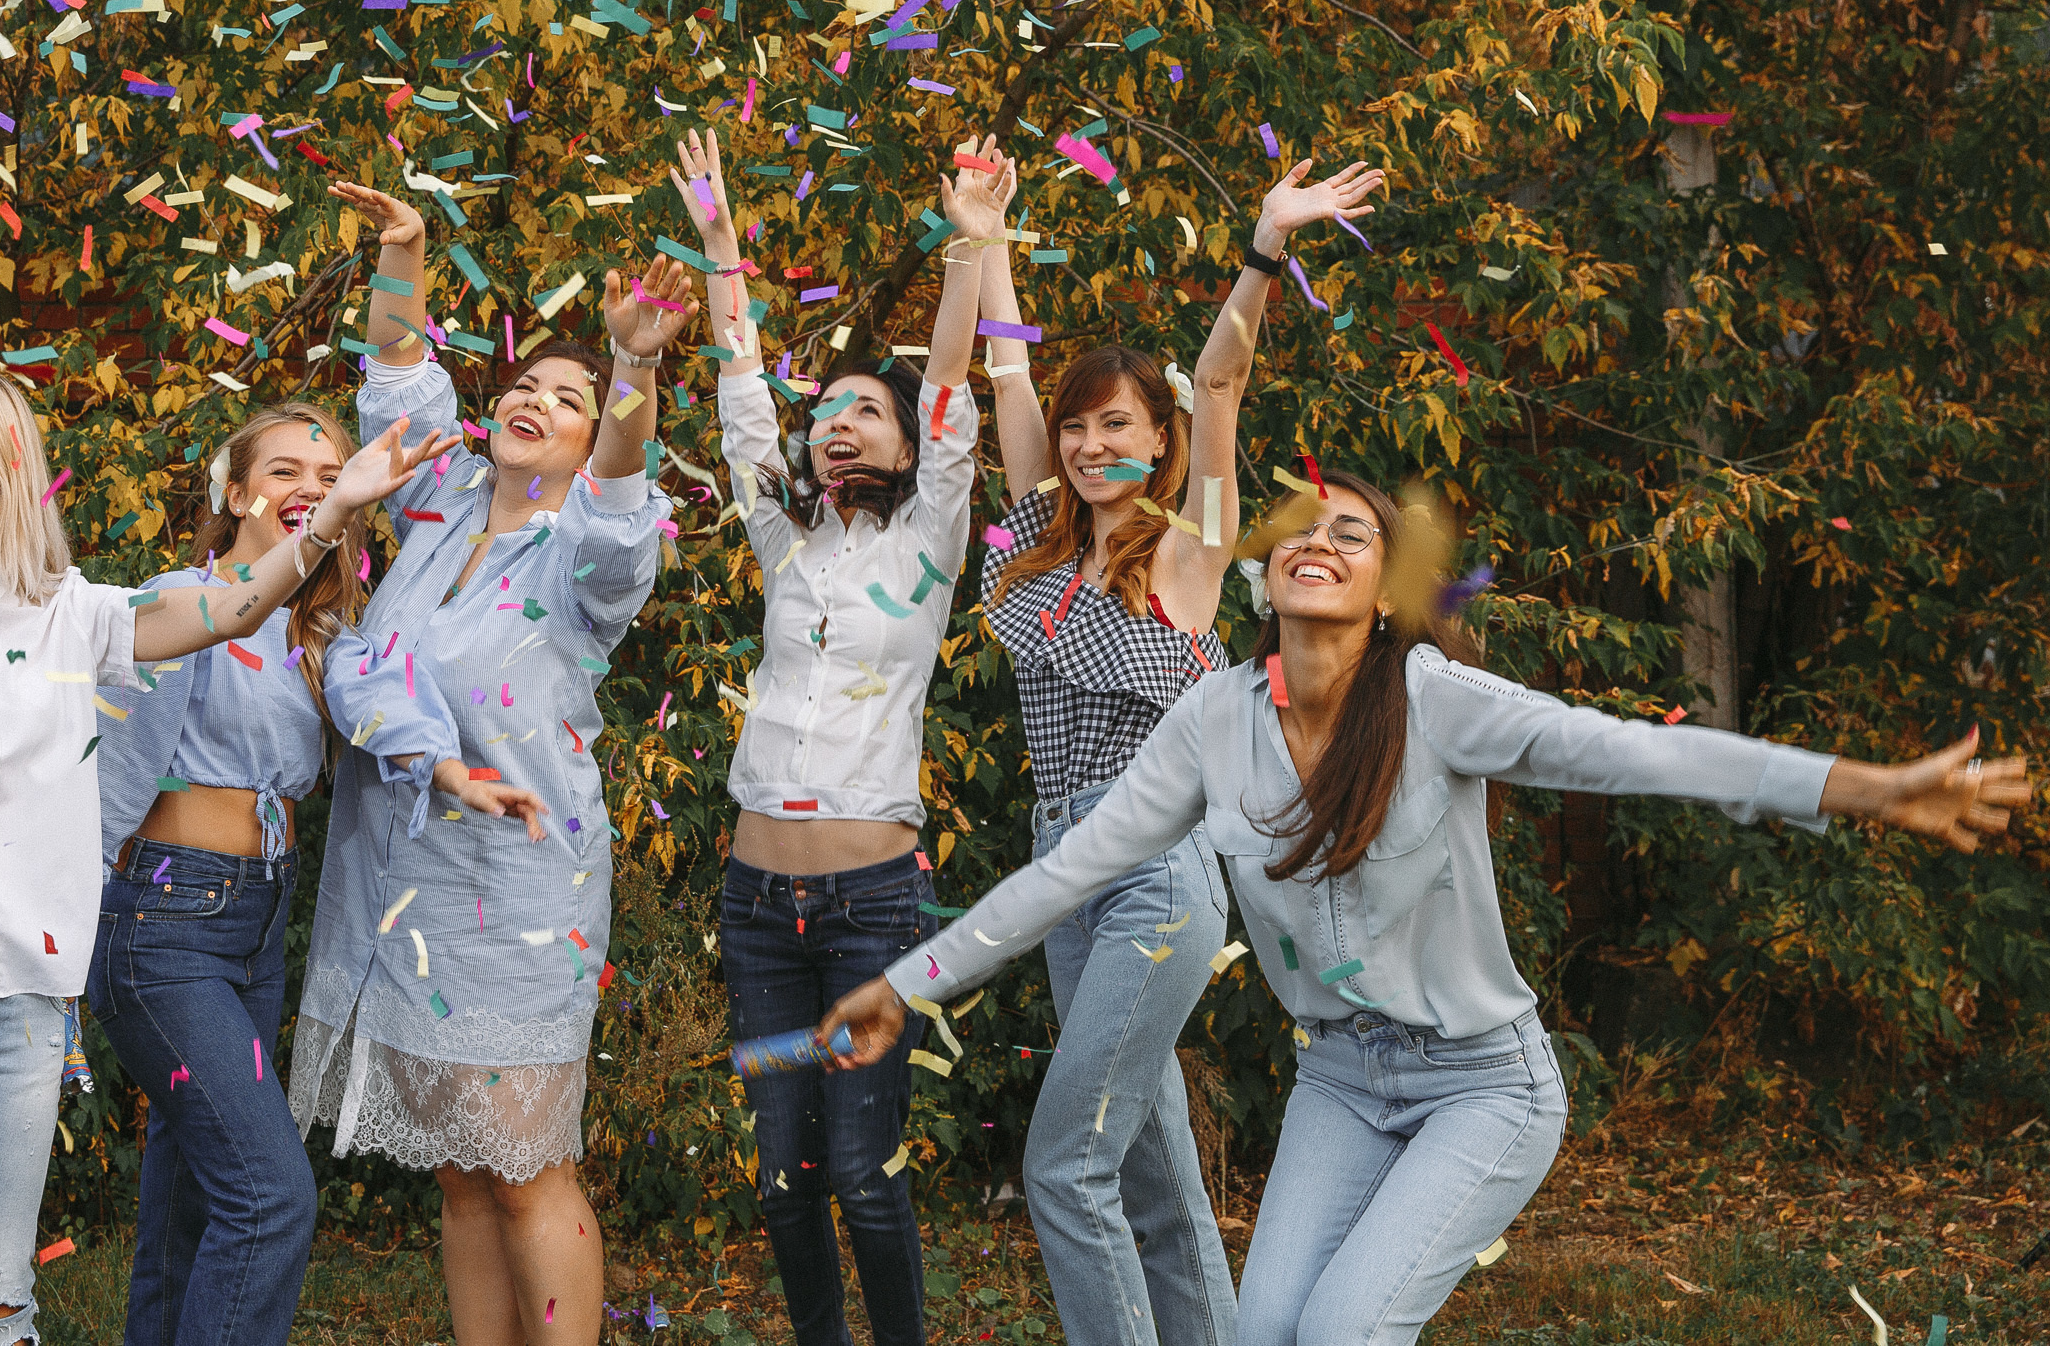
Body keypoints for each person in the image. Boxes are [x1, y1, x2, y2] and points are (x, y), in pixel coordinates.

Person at [818, 468, 2031, 1346]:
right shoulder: (1213, 718)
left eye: (1355, 535)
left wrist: (1858, 786)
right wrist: (905, 984)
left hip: (1483, 1084)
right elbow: (1064, 872)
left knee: (1341, 1331)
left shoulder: (1432, 697)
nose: (1321, 542)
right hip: (1340, 1079)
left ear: (1385, 585)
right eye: (1305, 528)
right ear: (1267, 570)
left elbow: (1627, 753)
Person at [0, 255, 451, 1346]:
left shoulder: (76, 614)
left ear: (4, 462)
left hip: (14, 1000)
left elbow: (240, 602)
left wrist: (334, 507)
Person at [972, 158, 1384, 1346]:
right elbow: (1007, 371)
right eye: (1077, 423)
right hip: (1063, 876)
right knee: (1153, 1182)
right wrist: (989, 238)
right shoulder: (1036, 553)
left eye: (1118, 423)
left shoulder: (1186, 557)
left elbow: (1219, 375)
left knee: (1062, 1162)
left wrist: (1262, 248)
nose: (1092, 440)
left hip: (1152, 880)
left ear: (1157, 443)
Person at [286, 174, 693, 1346]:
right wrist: (405, 248)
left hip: (519, 887)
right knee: (462, 1170)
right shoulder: (445, 503)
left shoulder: (590, 558)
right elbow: (397, 380)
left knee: (524, 1164)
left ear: (585, 440)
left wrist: (632, 373)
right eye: (525, 380)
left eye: (566, 399)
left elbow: (621, 493)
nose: (534, 397)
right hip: (403, 883)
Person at [678, 126, 1005, 1346]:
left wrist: (970, 246)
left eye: (863, 410)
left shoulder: (929, 548)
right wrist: (721, 250)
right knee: (783, 1184)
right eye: (826, 412)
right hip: (757, 904)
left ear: (911, 444)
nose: (834, 424)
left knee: (866, 1176)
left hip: (872, 902)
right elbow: (741, 402)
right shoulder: (784, 545)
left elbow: (955, 386)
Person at [86, 403, 365, 1346]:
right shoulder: (183, 600)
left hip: (254, 926)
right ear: (238, 493)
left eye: (329, 475)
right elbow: (105, 779)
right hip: (166, 921)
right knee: (269, 1195)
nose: (310, 489)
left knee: (192, 1198)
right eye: (285, 471)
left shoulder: (323, 633)